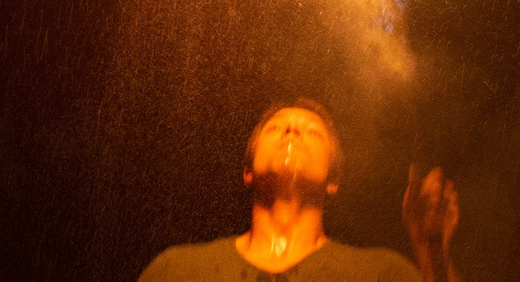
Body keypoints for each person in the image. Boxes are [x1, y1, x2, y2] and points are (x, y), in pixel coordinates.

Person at [137, 99, 461, 282]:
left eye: (313, 133)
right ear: (247, 172)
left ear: (332, 181)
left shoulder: (381, 273)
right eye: (276, 127)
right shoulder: (177, 270)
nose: (292, 130)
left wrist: (431, 249)